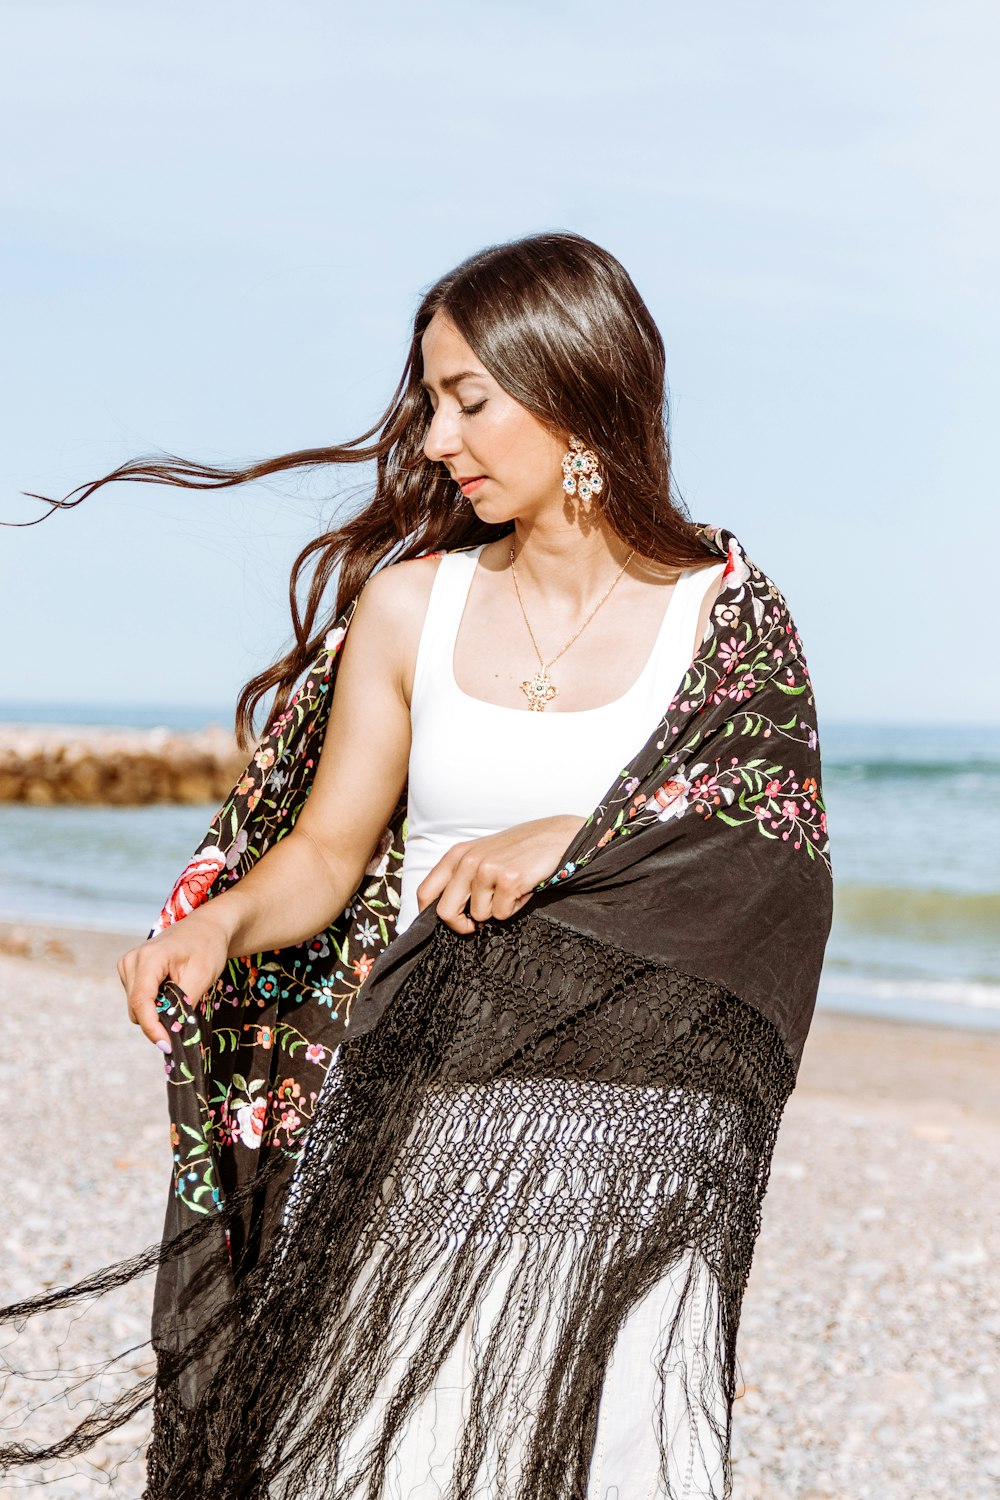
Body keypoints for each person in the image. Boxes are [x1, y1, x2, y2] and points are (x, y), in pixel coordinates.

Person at [1, 231, 832, 1500]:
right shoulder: (409, 608)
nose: (437, 438)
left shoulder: (725, 612)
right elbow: (327, 852)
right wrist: (219, 927)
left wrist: (573, 841)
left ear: (574, 388)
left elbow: (771, 855)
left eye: (469, 400)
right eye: (431, 402)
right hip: (421, 1108)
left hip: (637, 1141)